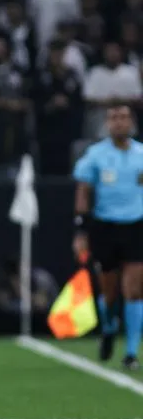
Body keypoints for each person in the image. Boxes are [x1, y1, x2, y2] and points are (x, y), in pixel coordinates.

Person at [72, 104, 143, 371]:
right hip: (105, 227)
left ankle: (131, 352)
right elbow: (83, 193)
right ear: (107, 124)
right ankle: (110, 326)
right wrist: (80, 229)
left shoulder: (141, 155)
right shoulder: (96, 156)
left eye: (124, 117)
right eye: (114, 118)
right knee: (109, 291)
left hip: (136, 225)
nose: (119, 123)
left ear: (132, 122)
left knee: (135, 290)